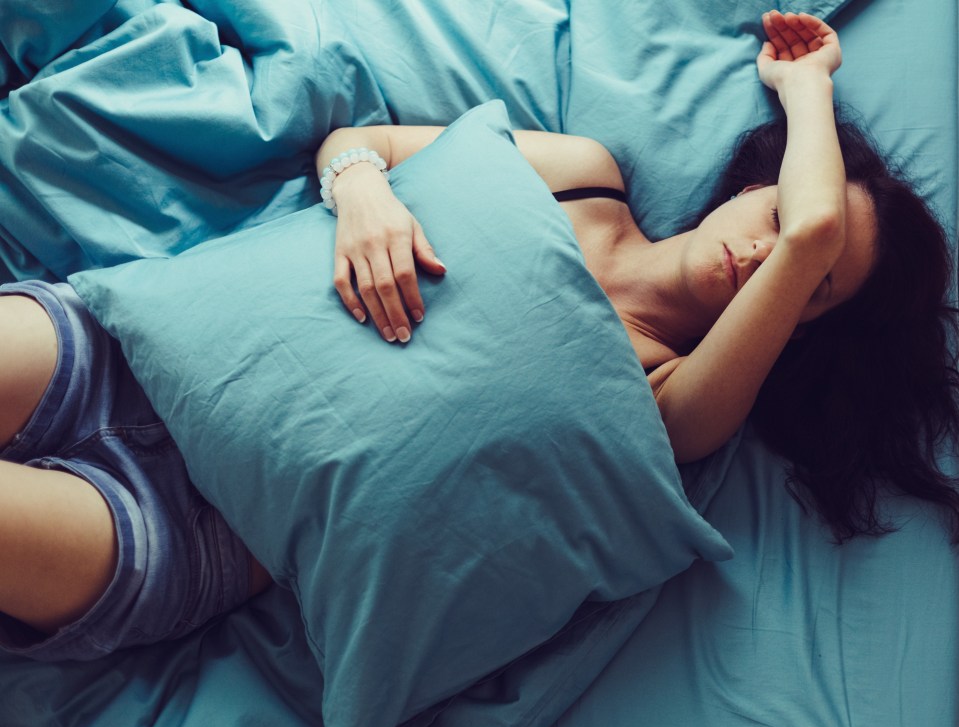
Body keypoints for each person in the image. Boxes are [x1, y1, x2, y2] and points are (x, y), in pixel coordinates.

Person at [0, 11, 954, 660]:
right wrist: (365, 193)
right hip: (125, 352)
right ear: (756, 184)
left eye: (811, 286)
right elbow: (352, 145)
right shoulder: (582, 175)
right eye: (778, 212)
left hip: (186, 534)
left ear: (795, 321)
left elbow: (818, 233)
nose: (778, 248)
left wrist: (809, 92)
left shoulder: (676, 407)